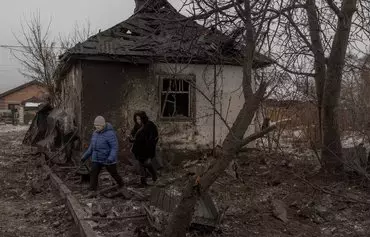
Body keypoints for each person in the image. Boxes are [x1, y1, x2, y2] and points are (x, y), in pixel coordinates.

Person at [81, 116, 124, 191]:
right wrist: (85, 157)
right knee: (93, 173)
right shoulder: (95, 133)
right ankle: (93, 189)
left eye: (99, 125)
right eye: (96, 125)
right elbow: (91, 147)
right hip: (96, 159)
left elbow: (114, 148)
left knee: (114, 173)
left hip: (107, 159)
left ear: (103, 125)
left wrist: (110, 158)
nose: (97, 127)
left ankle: (121, 184)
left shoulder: (110, 133)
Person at [129, 111, 159, 185]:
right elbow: (132, 136)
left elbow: (154, 138)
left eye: (139, 119)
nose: (138, 121)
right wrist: (130, 138)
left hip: (147, 149)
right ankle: (143, 182)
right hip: (139, 150)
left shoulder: (150, 125)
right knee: (141, 165)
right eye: (136, 119)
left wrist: (150, 152)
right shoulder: (136, 126)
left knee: (147, 163)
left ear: (143, 118)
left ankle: (154, 175)